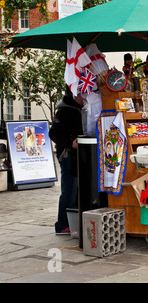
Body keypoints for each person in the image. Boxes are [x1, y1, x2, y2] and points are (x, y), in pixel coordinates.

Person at [49, 88, 84, 235]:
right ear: (76, 95)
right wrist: (70, 142)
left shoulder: (82, 109)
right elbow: (53, 133)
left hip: (81, 155)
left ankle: (74, 223)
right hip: (68, 155)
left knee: (78, 190)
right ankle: (62, 225)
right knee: (69, 190)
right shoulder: (65, 111)